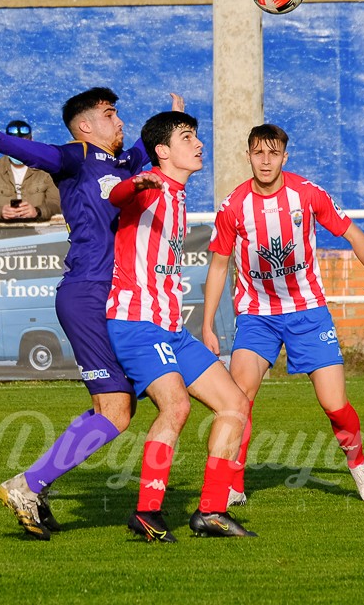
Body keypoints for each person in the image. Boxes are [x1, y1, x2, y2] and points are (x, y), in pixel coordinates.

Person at [0, 87, 181, 541]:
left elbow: (146, 146)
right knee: (117, 412)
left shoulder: (124, 165)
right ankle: (27, 485)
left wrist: (171, 121)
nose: (118, 122)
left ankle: (34, 489)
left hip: (111, 296)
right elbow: (42, 153)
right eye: (109, 114)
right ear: (85, 126)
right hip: (87, 292)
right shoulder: (77, 156)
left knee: (113, 408)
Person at [201, 123, 364, 504]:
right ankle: (234, 486)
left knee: (334, 405)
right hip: (257, 317)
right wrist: (207, 325)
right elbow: (219, 266)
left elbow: (353, 233)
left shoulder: (306, 194)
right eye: (258, 152)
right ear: (249, 155)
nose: (265, 160)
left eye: (273, 153)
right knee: (240, 398)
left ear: (285, 157)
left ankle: (359, 466)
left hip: (308, 313)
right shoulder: (234, 205)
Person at [106, 110, 255, 541]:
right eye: (187, 137)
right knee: (177, 407)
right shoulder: (149, 187)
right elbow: (116, 196)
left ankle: (211, 511)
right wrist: (135, 182)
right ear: (163, 152)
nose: (199, 144)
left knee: (236, 406)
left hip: (172, 327)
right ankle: (147, 512)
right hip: (136, 322)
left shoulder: (177, 194)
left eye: (196, 136)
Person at [0, 119, 61, 223]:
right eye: (14, 144)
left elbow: (57, 205)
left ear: (32, 142)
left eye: (23, 144)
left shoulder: (47, 169)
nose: (18, 150)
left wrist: (37, 211)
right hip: (3, 233)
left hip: (38, 233)